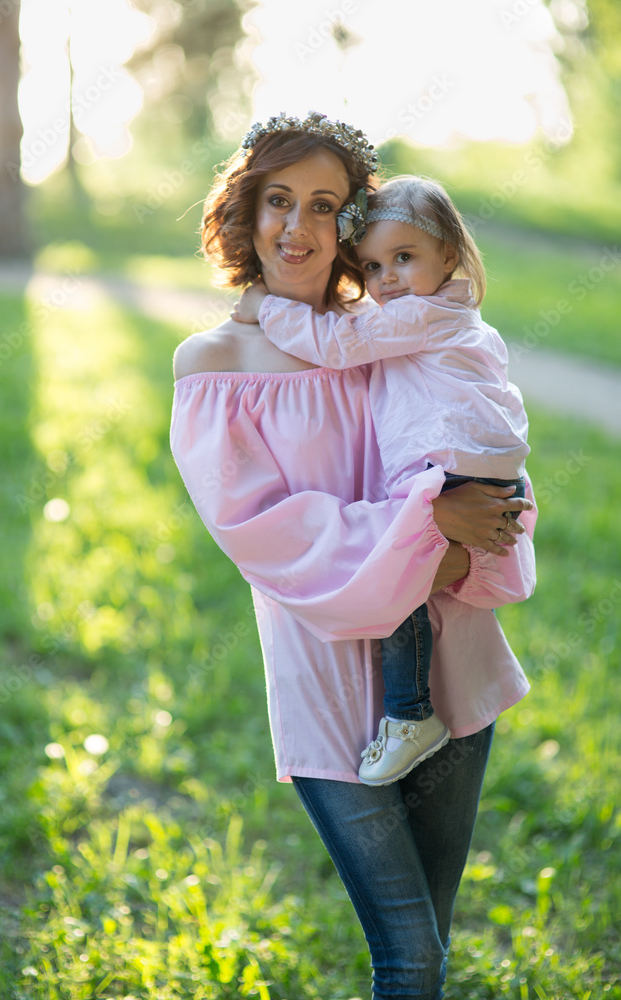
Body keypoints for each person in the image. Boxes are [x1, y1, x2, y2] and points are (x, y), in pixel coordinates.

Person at [170, 111, 536, 1000]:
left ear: (353, 224)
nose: (297, 226)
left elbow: (482, 439)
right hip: (326, 677)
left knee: (432, 944)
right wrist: (432, 529)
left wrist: (475, 529)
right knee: (406, 953)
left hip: (448, 660)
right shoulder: (212, 366)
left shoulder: (388, 330)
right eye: (278, 200)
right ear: (245, 211)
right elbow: (267, 534)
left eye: (325, 205)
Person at [231, 173, 531, 787]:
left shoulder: (420, 315)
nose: (386, 279)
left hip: (454, 468)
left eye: (403, 258)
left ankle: (409, 714)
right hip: (485, 468)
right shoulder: (457, 317)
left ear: (448, 254)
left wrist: (267, 307)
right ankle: (419, 708)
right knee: (416, 580)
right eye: (371, 266)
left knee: (397, 578)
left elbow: (338, 343)